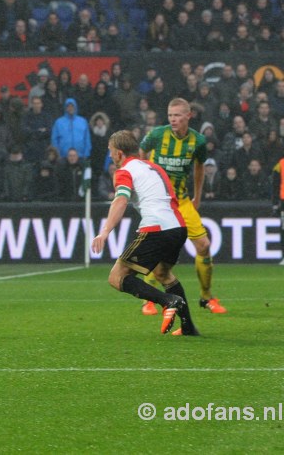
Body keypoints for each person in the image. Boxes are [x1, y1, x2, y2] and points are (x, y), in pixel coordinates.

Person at [91, 130, 199, 336]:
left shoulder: (124, 171)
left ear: (120, 153)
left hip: (156, 228)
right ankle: (188, 328)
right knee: (163, 274)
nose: (110, 156)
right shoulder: (154, 167)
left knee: (116, 277)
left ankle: (168, 302)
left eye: (111, 152)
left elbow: (120, 199)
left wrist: (104, 231)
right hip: (178, 227)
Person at [139, 98, 227, 315]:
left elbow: (199, 168)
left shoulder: (198, 141)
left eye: (177, 115)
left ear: (189, 116)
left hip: (183, 201)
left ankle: (206, 298)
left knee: (204, 245)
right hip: (159, 202)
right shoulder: (158, 135)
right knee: (158, 246)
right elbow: (141, 152)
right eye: (170, 115)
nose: (173, 119)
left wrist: (197, 197)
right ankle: (149, 300)